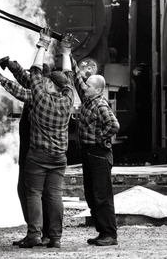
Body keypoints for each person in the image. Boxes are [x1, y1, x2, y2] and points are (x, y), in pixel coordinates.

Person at [18, 27, 73, 249]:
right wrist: (66, 52)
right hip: (59, 157)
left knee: (33, 193)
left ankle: (34, 235)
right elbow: (68, 76)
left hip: (38, 157)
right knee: (54, 196)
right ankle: (56, 237)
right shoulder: (68, 99)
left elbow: (34, 71)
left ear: (50, 85)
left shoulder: (40, 98)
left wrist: (43, 43)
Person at [0, 57, 50, 246]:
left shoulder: (42, 97)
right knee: (29, 191)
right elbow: (27, 81)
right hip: (31, 150)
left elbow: (19, 90)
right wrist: (13, 67)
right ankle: (39, 231)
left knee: (32, 192)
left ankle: (41, 232)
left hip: (35, 152)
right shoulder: (43, 90)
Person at [70, 52, 120, 246]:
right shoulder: (88, 99)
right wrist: (69, 55)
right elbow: (77, 80)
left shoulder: (99, 104)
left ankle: (109, 234)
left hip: (99, 154)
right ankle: (102, 232)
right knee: (92, 195)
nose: (85, 87)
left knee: (102, 195)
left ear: (98, 89)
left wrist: (99, 138)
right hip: (89, 153)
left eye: (89, 85)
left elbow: (114, 125)